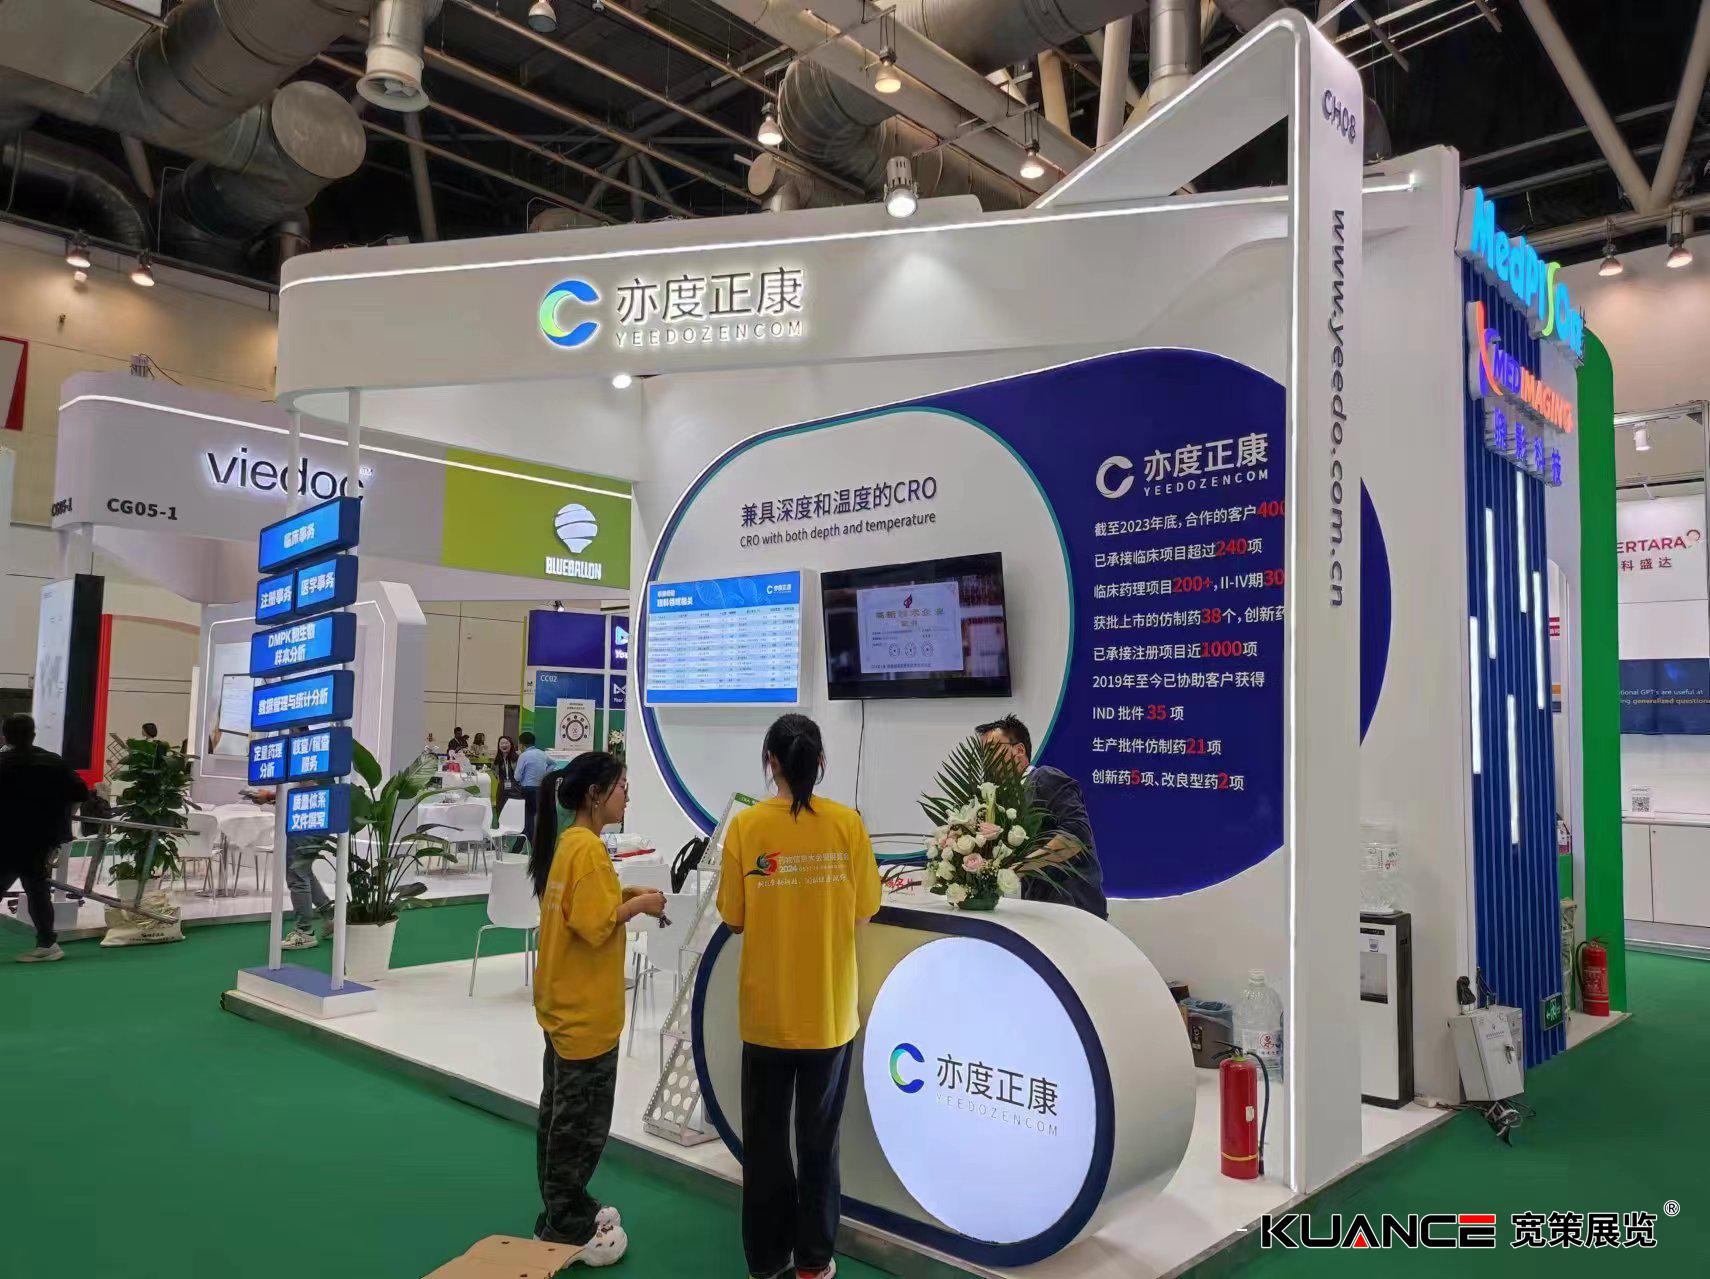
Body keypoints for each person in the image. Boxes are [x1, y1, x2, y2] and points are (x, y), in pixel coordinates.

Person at [717, 714, 881, 1279]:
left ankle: (767, 1261)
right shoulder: (847, 825)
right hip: (828, 1015)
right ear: (820, 762)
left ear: (771, 762)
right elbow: (867, 909)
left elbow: (733, 917)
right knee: (819, 1144)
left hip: (766, 1015)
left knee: (764, 1146)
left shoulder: (746, 827)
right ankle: (813, 1261)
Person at [529, 752, 666, 1263]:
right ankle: (567, 1229)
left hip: (564, 1009)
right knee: (580, 1129)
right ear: (595, 793)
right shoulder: (586, 850)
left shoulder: (573, 844)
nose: (627, 795)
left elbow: (585, 906)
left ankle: (563, 1208)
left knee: (559, 1119)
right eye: (621, 786)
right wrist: (639, 906)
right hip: (586, 1016)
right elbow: (595, 925)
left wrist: (625, 892)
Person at [978, 715, 1107, 918]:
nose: (986, 760)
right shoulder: (1006, 802)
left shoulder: (1045, 778)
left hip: (1073, 907)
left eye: (991, 750)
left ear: (1019, 750)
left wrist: (1017, 868)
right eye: (982, 754)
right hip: (1038, 907)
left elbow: (1076, 835)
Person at [0, 714, 91, 963]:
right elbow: (80, 794)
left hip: (6, 838)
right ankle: (47, 943)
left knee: (32, 888)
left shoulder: (2, 763)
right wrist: (60, 821)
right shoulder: (53, 762)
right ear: (33, 734)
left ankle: (48, 943)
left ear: (5, 736)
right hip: (41, 838)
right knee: (37, 889)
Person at [514, 731, 553, 844]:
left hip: (527, 790)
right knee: (536, 817)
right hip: (539, 789)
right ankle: (530, 843)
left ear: (522, 744)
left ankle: (528, 842)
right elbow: (553, 764)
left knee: (527, 818)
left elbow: (517, 776)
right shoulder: (542, 754)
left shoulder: (524, 756)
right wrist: (544, 775)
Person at [492, 735, 522, 818]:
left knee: (514, 810)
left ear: (511, 744)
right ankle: (501, 825)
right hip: (502, 788)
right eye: (501, 743)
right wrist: (498, 778)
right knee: (501, 810)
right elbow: (494, 770)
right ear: (499, 746)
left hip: (515, 788)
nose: (504, 745)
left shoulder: (518, 758)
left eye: (506, 743)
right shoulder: (497, 759)